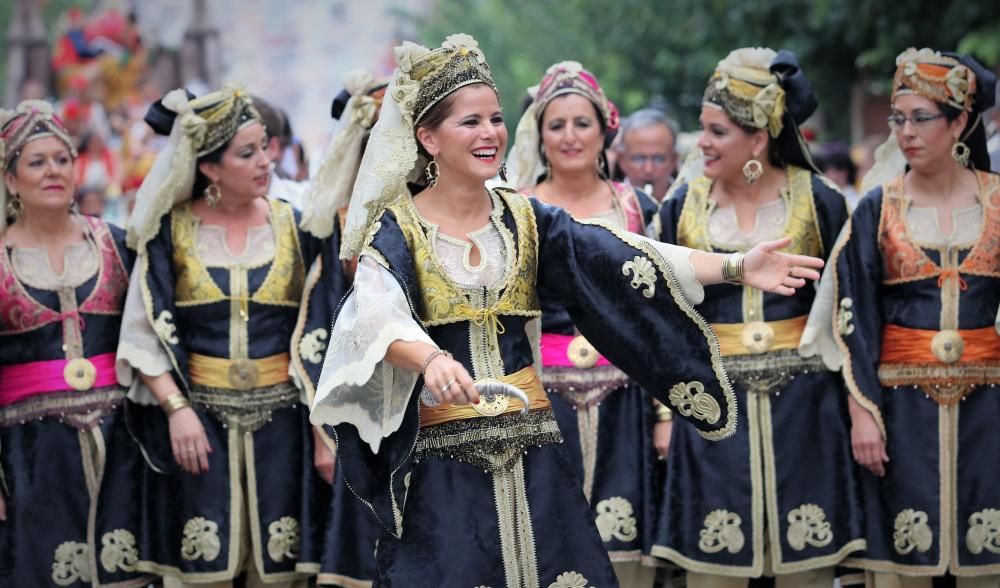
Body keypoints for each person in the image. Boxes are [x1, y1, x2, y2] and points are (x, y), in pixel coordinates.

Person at [310, 34, 824, 587]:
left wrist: (734, 266)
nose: (490, 134)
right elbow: (374, 317)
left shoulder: (525, 220)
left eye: (496, 119)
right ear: (427, 137)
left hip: (533, 453)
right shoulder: (396, 231)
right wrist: (431, 359)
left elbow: (623, 255)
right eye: (470, 122)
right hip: (442, 465)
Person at [114, 84, 349, 587]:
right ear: (210, 169)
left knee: (283, 574)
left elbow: (324, 336)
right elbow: (141, 333)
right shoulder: (170, 233)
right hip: (199, 429)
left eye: (266, 146)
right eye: (248, 153)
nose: (266, 160)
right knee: (204, 574)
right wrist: (178, 413)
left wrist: (322, 433)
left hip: (285, 427)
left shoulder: (298, 227)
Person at [651, 48, 863, 588]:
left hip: (807, 409)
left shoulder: (818, 201)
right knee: (714, 570)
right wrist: (668, 414)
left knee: (806, 569)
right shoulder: (682, 207)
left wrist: (859, 409)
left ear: (758, 138)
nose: (702, 143)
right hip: (714, 410)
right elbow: (662, 319)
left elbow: (847, 307)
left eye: (717, 131)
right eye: (702, 129)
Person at [825, 47, 1000, 587]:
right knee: (903, 559)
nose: (907, 132)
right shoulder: (878, 207)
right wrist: (863, 414)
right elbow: (851, 315)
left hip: (988, 406)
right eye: (898, 119)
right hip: (900, 410)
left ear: (960, 123)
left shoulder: (997, 201)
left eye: (922, 118)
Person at [507, 60, 663, 588]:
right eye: (556, 125)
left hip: (629, 403)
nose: (570, 136)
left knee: (625, 552)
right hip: (544, 404)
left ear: (604, 131)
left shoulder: (638, 208)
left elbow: (665, 315)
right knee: (551, 550)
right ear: (540, 135)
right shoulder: (513, 212)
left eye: (581, 123)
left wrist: (665, 415)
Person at [0, 100, 147, 587]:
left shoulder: (117, 244)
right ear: (10, 179)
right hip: (31, 452)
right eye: (36, 162)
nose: (53, 172)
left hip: (122, 442)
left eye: (62, 159)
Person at [297, 69, 389, 587]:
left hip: (441, 402)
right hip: (359, 415)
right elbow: (317, 332)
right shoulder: (336, 225)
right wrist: (321, 434)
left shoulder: (449, 214)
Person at [616, 108, 680, 202]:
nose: (648, 170)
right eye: (638, 159)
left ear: (674, 160)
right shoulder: (606, 203)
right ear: (622, 160)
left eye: (659, 159)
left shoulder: (690, 204)